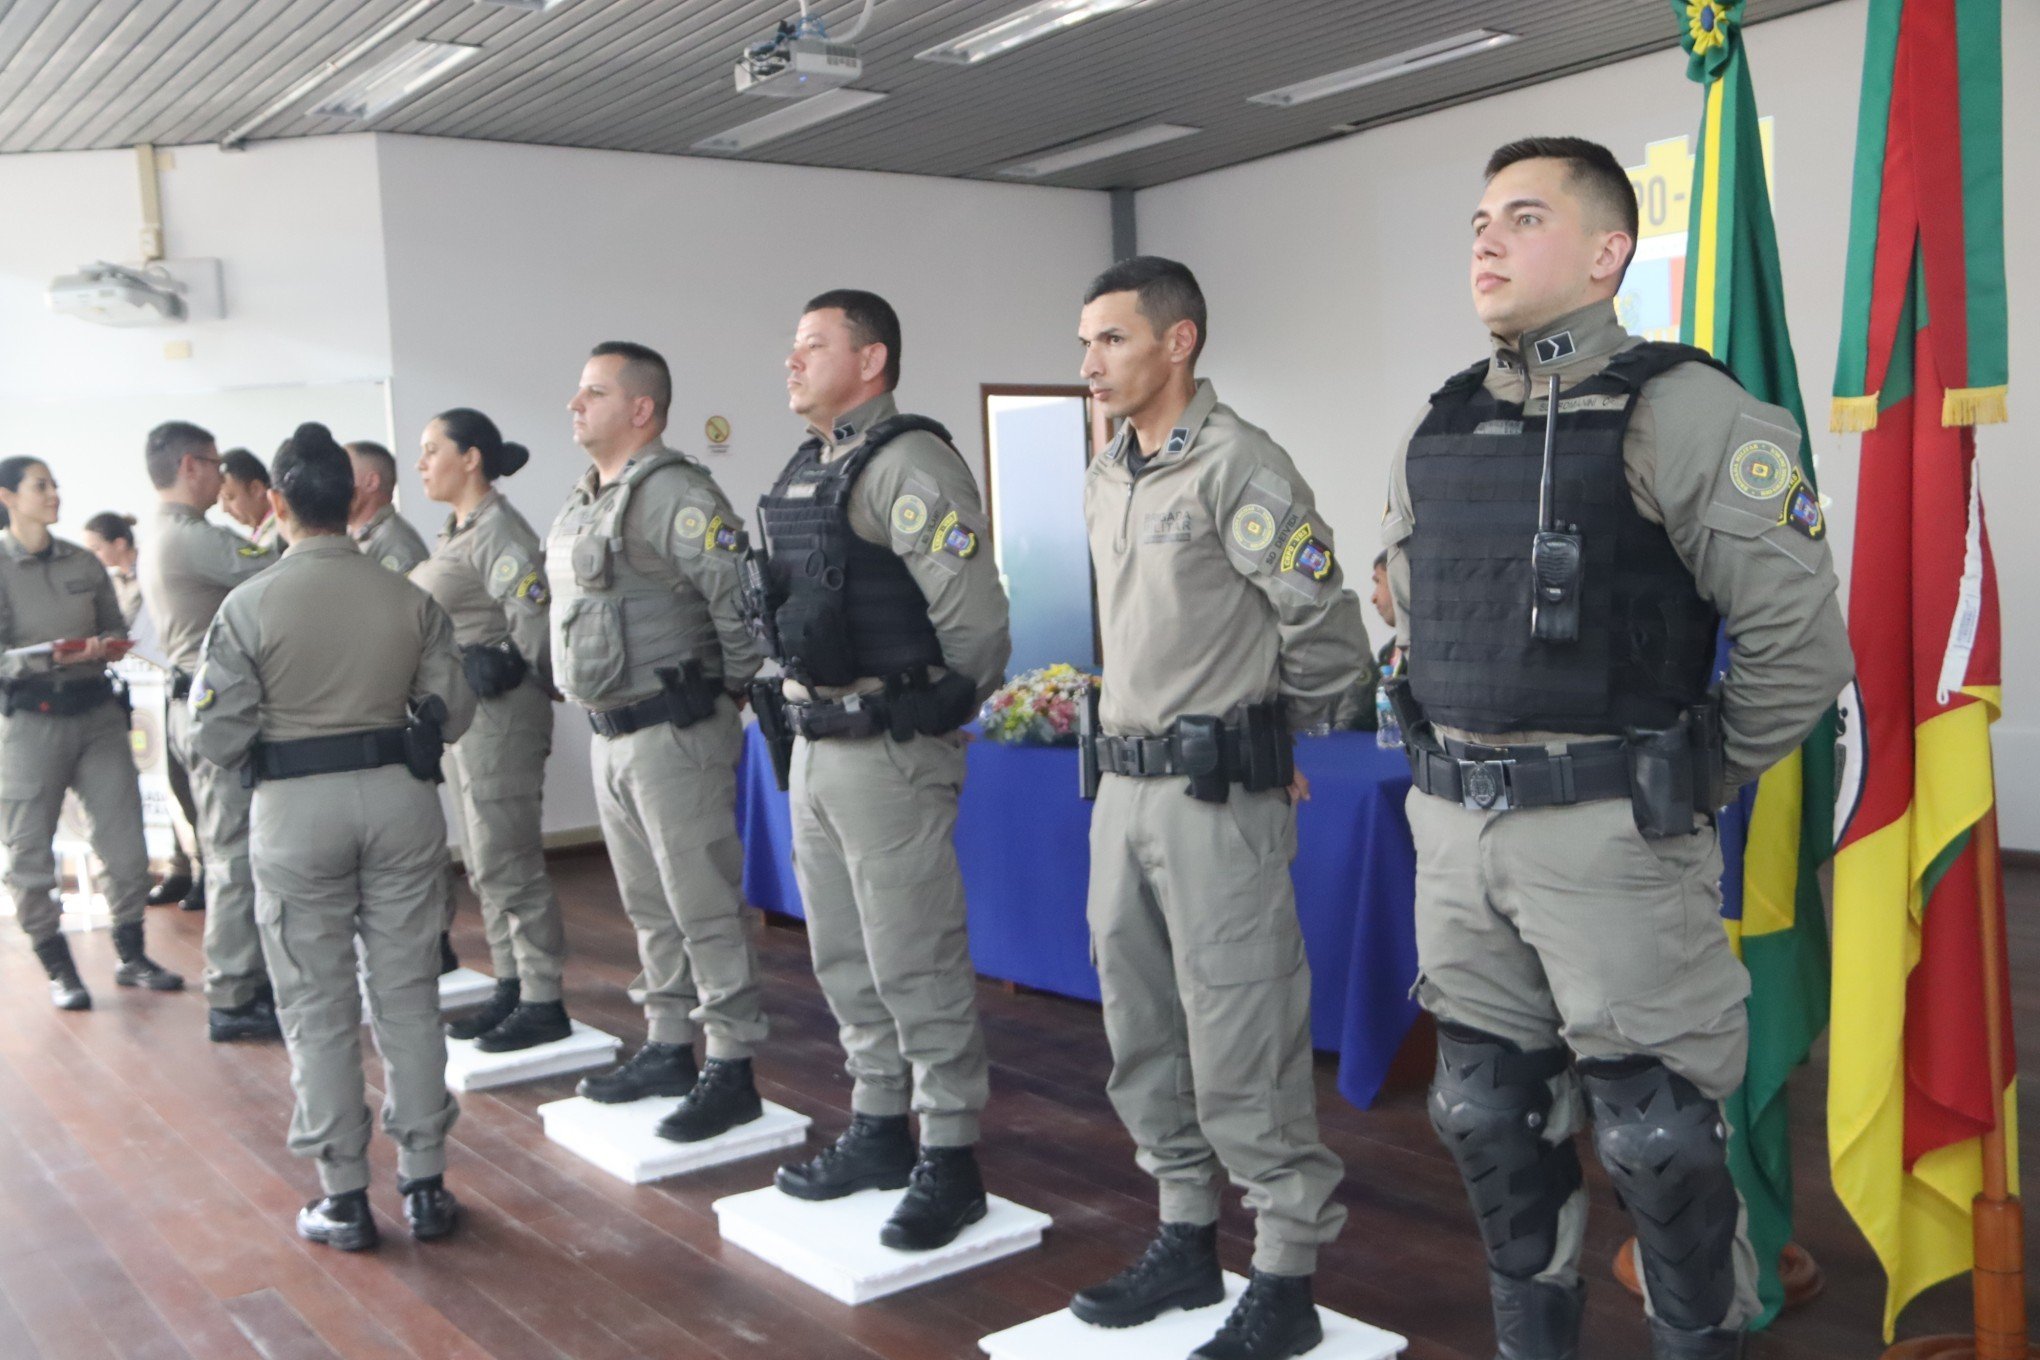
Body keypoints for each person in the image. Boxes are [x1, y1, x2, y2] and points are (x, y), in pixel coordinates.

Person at [1381, 138, 1852, 1360]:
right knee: (1485, 1112)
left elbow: (1797, 644)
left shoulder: (1685, 409)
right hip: (1455, 833)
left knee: (1661, 1137)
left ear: (1606, 254)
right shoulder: (1441, 423)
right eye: (1479, 218)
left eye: (1523, 218)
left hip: (1612, 841)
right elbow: (1408, 603)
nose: (1486, 240)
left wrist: (1687, 777)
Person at [1071, 257, 1369, 1360]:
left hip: (1214, 796)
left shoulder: (1239, 464)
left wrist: (1281, 731)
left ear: (1178, 341)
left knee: (1242, 1031)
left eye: (1110, 340)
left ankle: (1285, 1274)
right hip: (1124, 790)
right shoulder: (1113, 470)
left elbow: (1324, 620)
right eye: (1086, 342)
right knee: (1140, 1027)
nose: (1091, 363)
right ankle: (1186, 1235)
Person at [750, 290, 1012, 1251]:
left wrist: (918, 718)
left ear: (872, 362)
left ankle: (949, 1155)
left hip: (888, 754)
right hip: (818, 751)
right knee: (844, 957)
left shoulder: (908, 464)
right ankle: (877, 1126)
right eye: (793, 342)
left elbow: (978, 629)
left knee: (915, 956)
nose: (792, 359)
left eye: (813, 344)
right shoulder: (807, 468)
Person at [189, 421, 473, 1252]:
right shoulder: (408, 596)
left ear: (275, 503)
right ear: (353, 501)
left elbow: (214, 737)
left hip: (294, 810)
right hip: (399, 803)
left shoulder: (247, 606)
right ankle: (425, 1184)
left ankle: (344, 1196)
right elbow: (454, 711)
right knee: (409, 997)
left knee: (316, 1005)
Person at [547, 341, 769, 1141]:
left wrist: (729, 693)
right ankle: (671, 1042)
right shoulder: (587, 498)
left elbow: (739, 605)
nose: (576, 405)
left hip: (675, 731)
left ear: (641, 409)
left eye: (594, 392)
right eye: (578, 393)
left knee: (703, 903)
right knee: (650, 907)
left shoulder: (677, 494)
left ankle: (731, 1062)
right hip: (612, 734)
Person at [411, 407, 571, 1052]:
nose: (421, 463)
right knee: (483, 859)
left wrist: (512, 663)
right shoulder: (456, 530)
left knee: (508, 856)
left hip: (501, 714)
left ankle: (542, 996)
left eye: (431, 450)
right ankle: (511, 983)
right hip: (466, 715)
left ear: (470, 458)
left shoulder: (497, 530)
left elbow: (534, 619)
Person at [0, 457, 183, 1008]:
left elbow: (115, 626)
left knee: (126, 845)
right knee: (29, 851)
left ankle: (131, 954)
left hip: (97, 714)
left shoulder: (83, 560)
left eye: (54, 484)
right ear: (8, 496)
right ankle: (59, 968)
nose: (54, 493)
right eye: (41, 486)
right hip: (32, 721)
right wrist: (40, 660)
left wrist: (102, 645)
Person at [138, 421, 283, 1040]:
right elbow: (275, 560)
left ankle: (242, 981)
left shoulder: (163, 531)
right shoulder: (189, 536)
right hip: (213, 707)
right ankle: (231, 994)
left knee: (231, 849)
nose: (224, 479)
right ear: (192, 465)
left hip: (195, 703)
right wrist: (287, 514)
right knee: (231, 855)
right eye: (218, 466)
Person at [1327, 553, 1403, 731]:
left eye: (1378, 582)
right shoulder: (1387, 654)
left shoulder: (1429, 657)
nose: (1373, 597)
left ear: (1401, 582)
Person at [347, 440, 431, 573]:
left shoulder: (397, 544)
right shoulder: (348, 538)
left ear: (371, 482)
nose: (334, 482)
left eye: (343, 473)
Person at [220, 448, 284, 552]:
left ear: (256, 489)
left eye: (229, 497)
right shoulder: (266, 533)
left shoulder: (281, 535)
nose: (224, 509)